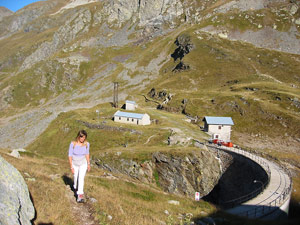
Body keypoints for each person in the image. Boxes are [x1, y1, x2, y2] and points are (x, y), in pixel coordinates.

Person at [68, 130, 91, 203]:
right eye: (81, 137)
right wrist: (71, 166)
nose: (83, 139)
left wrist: (88, 164)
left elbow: (87, 154)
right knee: (75, 177)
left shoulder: (87, 144)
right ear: (78, 136)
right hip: (75, 163)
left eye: (84, 138)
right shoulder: (73, 144)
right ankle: (75, 187)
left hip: (83, 163)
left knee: (81, 178)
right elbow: (70, 155)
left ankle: (80, 196)